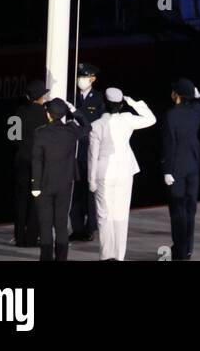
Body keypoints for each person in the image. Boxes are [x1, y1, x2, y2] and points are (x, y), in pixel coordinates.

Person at [88, 87, 156, 262]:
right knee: (121, 215)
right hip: (125, 171)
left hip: (104, 173)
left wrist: (90, 180)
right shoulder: (127, 119)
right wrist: (133, 102)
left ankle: (106, 255)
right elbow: (151, 119)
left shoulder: (96, 125)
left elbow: (92, 156)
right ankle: (119, 256)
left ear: (104, 104)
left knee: (104, 216)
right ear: (120, 104)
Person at [161, 78, 200, 261]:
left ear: (177, 96)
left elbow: (170, 144)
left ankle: (180, 251)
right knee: (190, 210)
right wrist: (199, 95)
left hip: (176, 168)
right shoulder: (195, 111)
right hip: (193, 165)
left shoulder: (171, 115)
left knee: (178, 212)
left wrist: (167, 170)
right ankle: (188, 249)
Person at [30, 98, 89, 262]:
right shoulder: (71, 131)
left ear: (48, 115)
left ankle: (46, 258)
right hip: (65, 184)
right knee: (61, 224)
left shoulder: (41, 133)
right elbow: (87, 126)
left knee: (45, 224)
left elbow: (37, 160)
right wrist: (74, 111)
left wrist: (35, 184)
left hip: (44, 184)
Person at [10, 79, 48, 247]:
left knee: (20, 200)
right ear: (41, 97)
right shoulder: (46, 115)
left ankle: (19, 237)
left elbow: (12, 139)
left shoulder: (18, 112)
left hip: (21, 160)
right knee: (36, 200)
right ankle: (32, 238)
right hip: (38, 163)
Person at [70, 61, 104, 241]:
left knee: (90, 192)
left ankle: (90, 228)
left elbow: (97, 126)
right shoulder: (72, 97)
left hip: (90, 150)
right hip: (73, 151)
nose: (80, 80)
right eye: (79, 76)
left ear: (93, 79)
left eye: (84, 77)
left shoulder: (98, 99)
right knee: (75, 191)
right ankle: (76, 228)